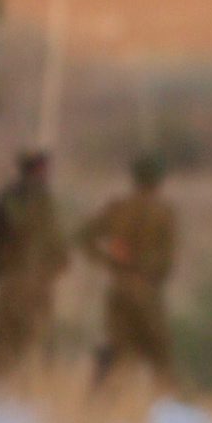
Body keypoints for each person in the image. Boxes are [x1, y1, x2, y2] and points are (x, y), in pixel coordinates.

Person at [79, 155, 178, 389]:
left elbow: (83, 236)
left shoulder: (118, 208)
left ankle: (99, 402)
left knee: (117, 349)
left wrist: (109, 262)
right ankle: (169, 411)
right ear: (158, 180)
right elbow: (167, 261)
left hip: (119, 289)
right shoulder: (163, 213)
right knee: (159, 352)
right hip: (146, 290)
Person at [0, 150, 70, 377]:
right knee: (38, 341)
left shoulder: (4, 197)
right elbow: (55, 240)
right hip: (35, 283)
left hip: (8, 281)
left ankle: (3, 394)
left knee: (6, 343)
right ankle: (35, 390)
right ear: (38, 169)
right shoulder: (43, 199)